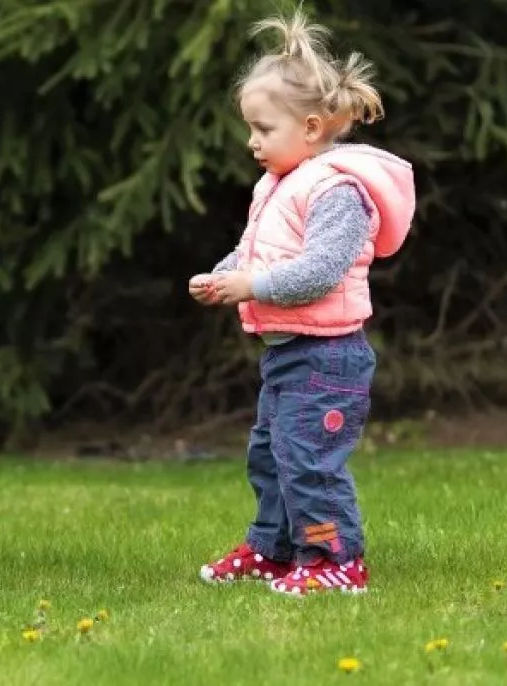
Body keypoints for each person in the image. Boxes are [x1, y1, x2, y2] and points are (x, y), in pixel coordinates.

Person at [190, 8, 416, 595]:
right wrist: (224, 276)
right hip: (289, 355)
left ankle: (335, 559)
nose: (251, 141)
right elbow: (254, 253)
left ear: (311, 127)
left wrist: (252, 286)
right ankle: (273, 549)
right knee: (269, 456)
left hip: (328, 359)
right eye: (250, 128)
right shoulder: (278, 186)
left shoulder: (338, 191)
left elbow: (317, 273)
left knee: (309, 462)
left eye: (264, 129)